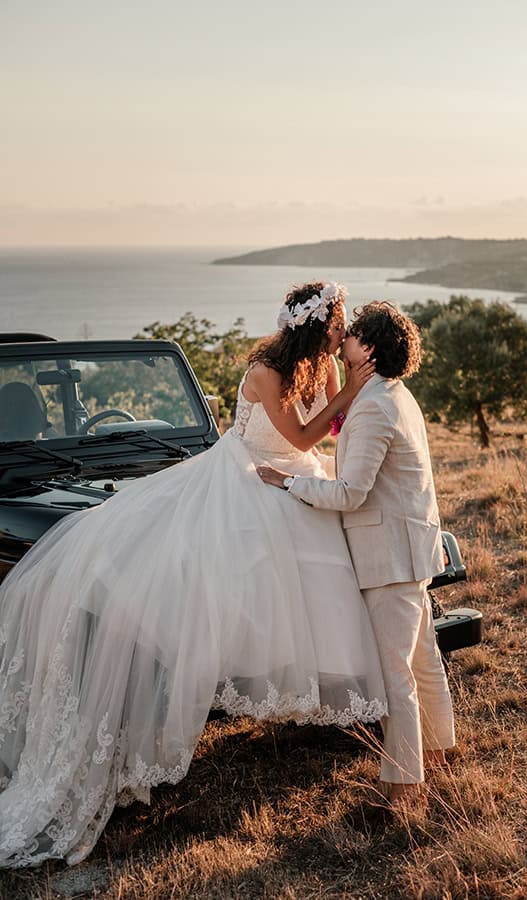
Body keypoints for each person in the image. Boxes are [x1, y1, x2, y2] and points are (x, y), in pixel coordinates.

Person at [0, 282, 387, 868]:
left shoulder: (326, 363)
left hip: (296, 477)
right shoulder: (263, 370)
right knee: (225, 566)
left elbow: (329, 434)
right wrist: (347, 394)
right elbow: (301, 434)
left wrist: (358, 398)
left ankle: (340, 691)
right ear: (316, 324)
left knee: (320, 556)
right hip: (248, 477)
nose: (344, 328)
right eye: (337, 320)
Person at [258, 301, 455, 804]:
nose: (341, 337)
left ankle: (403, 789)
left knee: (395, 676)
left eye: (352, 334)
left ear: (367, 348)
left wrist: (289, 482)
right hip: (410, 548)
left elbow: (350, 493)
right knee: (422, 659)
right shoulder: (394, 395)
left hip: (388, 556)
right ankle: (437, 753)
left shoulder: (372, 406)